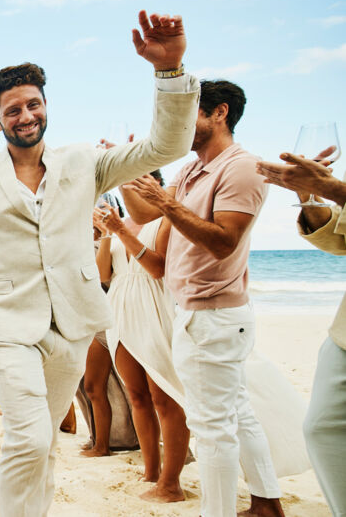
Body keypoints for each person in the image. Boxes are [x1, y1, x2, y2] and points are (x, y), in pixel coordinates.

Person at [0, 11, 198, 516]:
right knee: (30, 438)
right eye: (13, 110)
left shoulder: (85, 162)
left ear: (46, 106)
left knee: (46, 445)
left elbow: (167, 146)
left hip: (74, 324)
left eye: (33, 104)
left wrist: (169, 71)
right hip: (9, 323)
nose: (26, 115)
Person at [121, 79, 286, 517]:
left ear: (220, 113)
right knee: (237, 414)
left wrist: (167, 204)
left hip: (212, 315)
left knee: (211, 428)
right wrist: (123, 174)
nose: (177, 127)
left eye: (187, 115)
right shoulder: (192, 168)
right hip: (197, 313)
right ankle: (267, 504)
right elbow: (143, 214)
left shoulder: (241, 167)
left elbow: (223, 242)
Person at [257, 152, 346, 515]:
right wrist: (311, 197)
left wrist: (334, 188)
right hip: (343, 336)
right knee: (322, 429)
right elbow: (337, 240)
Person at [94, 173, 191, 503]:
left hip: (152, 305)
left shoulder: (165, 219)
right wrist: (109, 232)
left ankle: (171, 479)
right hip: (119, 307)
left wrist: (121, 230)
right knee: (136, 396)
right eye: (129, 179)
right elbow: (104, 275)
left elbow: (157, 268)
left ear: (157, 186)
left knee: (164, 396)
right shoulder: (122, 224)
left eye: (141, 179)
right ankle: (151, 470)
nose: (132, 185)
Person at [77, 197, 138, 458]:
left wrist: (105, 234)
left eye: (102, 208)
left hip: (104, 321)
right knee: (86, 386)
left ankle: (103, 445)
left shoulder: (112, 242)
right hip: (85, 321)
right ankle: (97, 438)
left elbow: (104, 278)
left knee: (96, 386)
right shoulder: (80, 242)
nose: (94, 213)